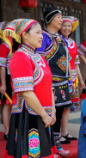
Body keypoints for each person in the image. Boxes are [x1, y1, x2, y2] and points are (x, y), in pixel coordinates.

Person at [3, 19, 57, 158]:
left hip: (44, 114)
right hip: (28, 115)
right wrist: (45, 115)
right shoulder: (20, 56)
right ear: (25, 35)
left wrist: (53, 111)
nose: (41, 36)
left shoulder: (39, 57)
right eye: (38, 33)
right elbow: (26, 92)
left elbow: (49, 86)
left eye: (42, 33)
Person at [37, 7, 72, 156]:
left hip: (62, 83)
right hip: (50, 83)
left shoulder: (60, 38)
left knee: (57, 117)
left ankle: (57, 147)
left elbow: (66, 60)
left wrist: (70, 79)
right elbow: (39, 60)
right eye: (59, 17)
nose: (61, 20)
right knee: (49, 115)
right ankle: (49, 148)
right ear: (50, 19)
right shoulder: (44, 37)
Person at [59, 16, 85, 144]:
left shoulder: (73, 43)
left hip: (73, 77)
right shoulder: (57, 40)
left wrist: (80, 80)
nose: (67, 28)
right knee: (61, 105)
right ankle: (58, 134)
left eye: (69, 26)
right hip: (61, 76)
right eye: (64, 25)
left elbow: (76, 62)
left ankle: (64, 132)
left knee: (68, 106)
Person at [0, 21, 12, 140]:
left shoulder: (17, 44)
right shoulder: (5, 46)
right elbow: (2, 66)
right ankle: (8, 131)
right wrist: (3, 84)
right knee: (7, 105)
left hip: (17, 78)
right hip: (8, 78)